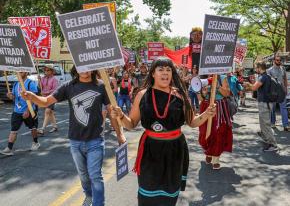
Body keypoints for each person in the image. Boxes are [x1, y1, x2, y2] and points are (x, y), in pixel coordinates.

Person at [110, 57, 216, 206]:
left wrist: (206, 115)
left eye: (168, 70)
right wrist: (120, 116)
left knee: (169, 197)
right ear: (153, 73)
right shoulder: (142, 94)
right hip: (150, 151)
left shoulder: (180, 94)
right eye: (161, 69)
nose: (165, 73)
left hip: (174, 150)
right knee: (147, 195)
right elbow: (131, 124)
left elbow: (192, 122)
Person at [21, 66, 126, 206]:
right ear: (76, 69)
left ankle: (99, 203)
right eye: (81, 67)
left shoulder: (101, 86)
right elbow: (46, 101)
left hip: (95, 140)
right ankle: (88, 195)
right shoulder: (69, 86)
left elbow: (111, 111)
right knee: (83, 176)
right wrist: (32, 97)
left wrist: (119, 134)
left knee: (95, 176)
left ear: (93, 69)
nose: (85, 70)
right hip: (75, 141)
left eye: (88, 67)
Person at [0, 72, 40, 156]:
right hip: (17, 111)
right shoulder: (16, 84)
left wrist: (28, 111)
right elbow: (15, 97)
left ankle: (35, 142)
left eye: (21, 71)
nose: (19, 73)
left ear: (26, 72)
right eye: (17, 72)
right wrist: (11, 96)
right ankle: (9, 148)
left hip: (29, 111)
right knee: (13, 130)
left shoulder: (30, 83)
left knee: (32, 128)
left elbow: (34, 98)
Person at [198, 74, 233, 170]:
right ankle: (209, 151)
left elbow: (227, 93)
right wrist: (203, 93)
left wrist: (218, 86)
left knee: (218, 132)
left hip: (219, 107)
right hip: (206, 107)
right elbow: (200, 99)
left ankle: (216, 158)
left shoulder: (222, 77)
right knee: (204, 132)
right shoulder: (202, 77)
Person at [245, 62, 279, 151]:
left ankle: (273, 145)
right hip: (266, 103)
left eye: (256, 67)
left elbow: (254, 88)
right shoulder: (266, 76)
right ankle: (267, 141)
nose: (255, 69)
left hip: (265, 103)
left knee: (266, 125)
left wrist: (248, 84)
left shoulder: (263, 77)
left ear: (260, 68)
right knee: (264, 124)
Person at [267, 56, 290, 131]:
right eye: (277, 60)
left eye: (280, 60)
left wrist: (286, 89)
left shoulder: (283, 68)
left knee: (283, 108)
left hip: (282, 91)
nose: (279, 61)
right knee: (272, 108)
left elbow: (285, 79)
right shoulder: (269, 70)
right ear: (274, 61)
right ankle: (272, 122)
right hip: (273, 92)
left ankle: (286, 125)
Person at [37, 64, 59, 135]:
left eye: (48, 70)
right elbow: (40, 87)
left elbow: (55, 90)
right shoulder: (43, 78)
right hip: (44, 98)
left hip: (52, 97)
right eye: (45, 70)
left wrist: (45, 92)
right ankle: (55, 126)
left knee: (47, 111)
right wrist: (39, 80)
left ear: (52, 71)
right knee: (50, 112)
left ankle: (42, 129)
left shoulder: (54, 79)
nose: (46, 71)